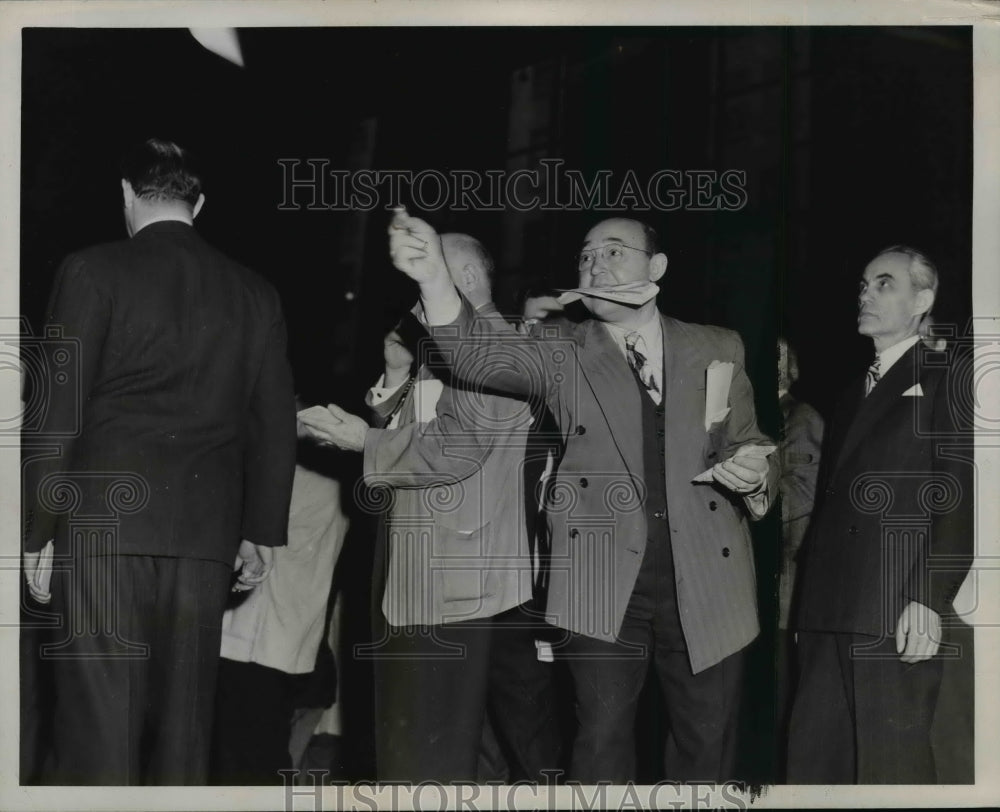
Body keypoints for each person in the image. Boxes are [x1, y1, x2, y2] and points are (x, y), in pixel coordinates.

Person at [385, 212, 778, 784]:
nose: (595, 263)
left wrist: (754, 472)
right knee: (600, 739)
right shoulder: (561, 347)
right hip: (599, 574)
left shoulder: (718, 345)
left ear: (657, 267)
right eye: (587, 256)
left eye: (615, 251)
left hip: (708, 573)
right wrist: (433, 281)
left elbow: (747, 439)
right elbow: (478, 355)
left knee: (707, 745)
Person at [21, 138, 297, 785]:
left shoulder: (91, 269)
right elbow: (274, 423)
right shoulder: (255, 292)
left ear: (126, 194)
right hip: (204, 535)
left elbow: (56, 412)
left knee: (97, 727)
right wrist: (261, 531)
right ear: (199, 203)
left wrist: (38, 533)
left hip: (102, 530)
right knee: (184, 731)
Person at [300, 233, 562, 783]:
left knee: (425, 764)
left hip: (452, 585)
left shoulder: (493, 346)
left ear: (461, 280)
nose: (412, 301)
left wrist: (362, 444)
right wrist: (395, 375)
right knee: (422, 757)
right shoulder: (447, 349)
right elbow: (417, 442)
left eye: (422, 281)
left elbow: (457, 449)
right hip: (426, 579)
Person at [787, 246, 973, 783]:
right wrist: (808, 613)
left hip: (892, 607)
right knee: (814, 764)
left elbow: (958, 492)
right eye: (864, 285)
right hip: (827, 611)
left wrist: (928, 596)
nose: (866, 294)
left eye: (885, 283)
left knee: (891, 766)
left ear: (923, 299)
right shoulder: (849, 394)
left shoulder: (948, 376)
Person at [210, 406, 348, 785]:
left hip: (258, 639)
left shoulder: (307, 458)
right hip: (269, 639)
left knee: (248, 760)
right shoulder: (318, 458)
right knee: (251, 757)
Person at [774, 337, 824, 757]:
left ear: (791, 368)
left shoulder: (799, 417)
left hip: (785, 588)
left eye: (777, 355)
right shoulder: (750, 417)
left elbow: (800, 492)